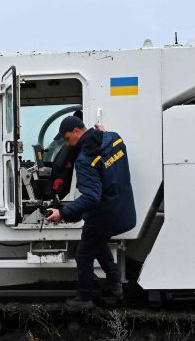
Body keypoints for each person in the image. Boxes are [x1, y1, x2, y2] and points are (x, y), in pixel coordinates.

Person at [45, 116, 136, 305]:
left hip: (105, 215)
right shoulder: (114, 139)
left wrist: (62, 213)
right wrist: (101, 132)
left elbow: (91, 197)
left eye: (68, 138)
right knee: (97, 242)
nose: (68, 145)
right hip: (123, 209)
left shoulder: (85, 160)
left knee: (84, 254)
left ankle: (84, 298)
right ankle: (115, 284)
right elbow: (106, 144)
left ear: (77, 131)